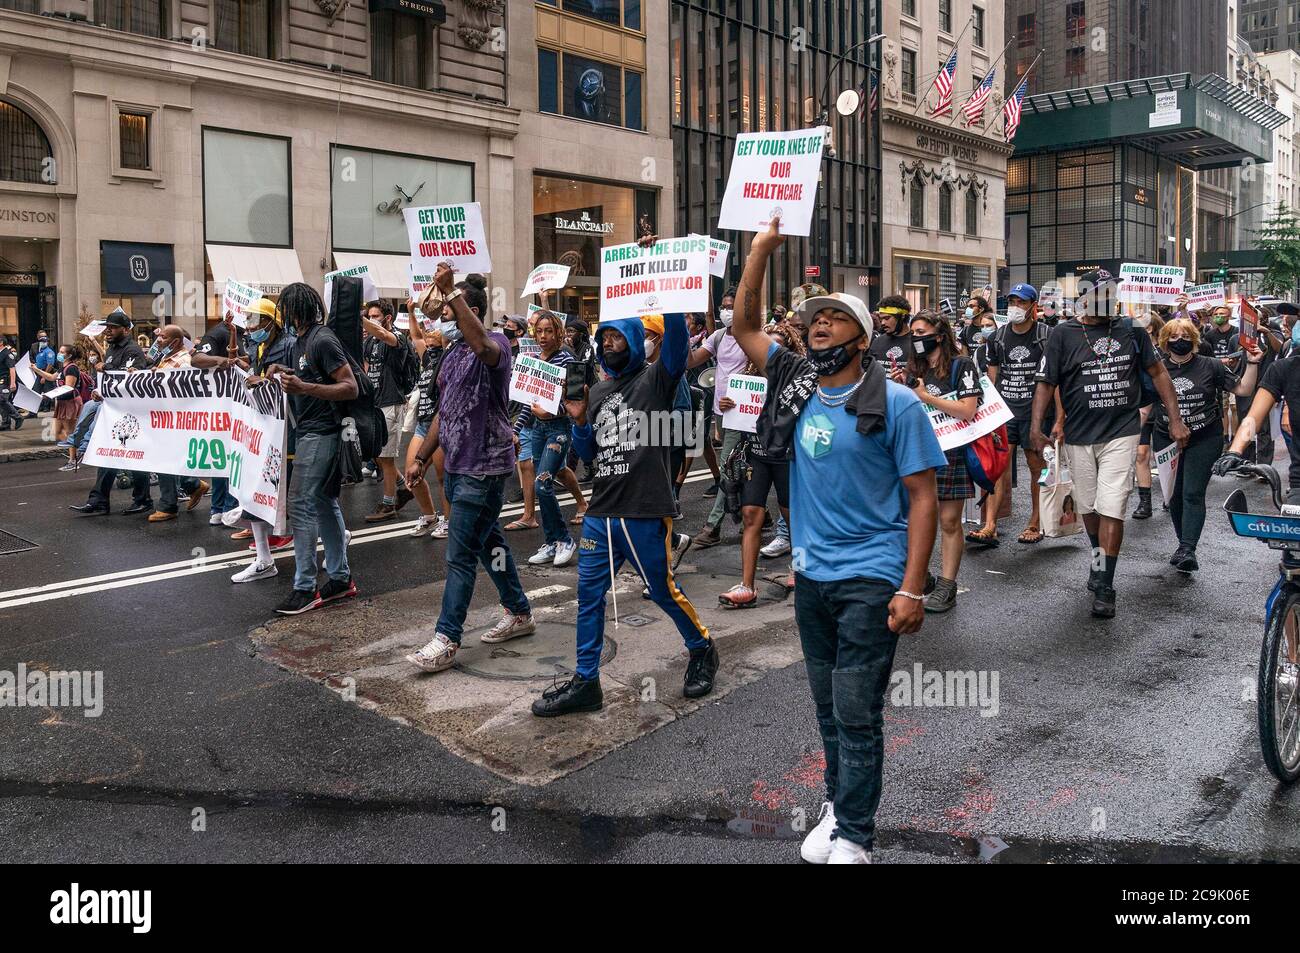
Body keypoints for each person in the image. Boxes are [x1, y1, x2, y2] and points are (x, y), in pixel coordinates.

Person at [726, 218, 943, 864]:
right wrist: (760, 251)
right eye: (813, 317)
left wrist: (912, 586)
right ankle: (836, 805)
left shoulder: (897, 403)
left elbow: (924, 496)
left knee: (856, 709)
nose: (818, 324)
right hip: (812, 578)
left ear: (862, 338)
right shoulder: (795, 380)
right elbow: (743, 327)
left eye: (833, 318)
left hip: (872, 578)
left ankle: (856, 835)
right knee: (827, 709)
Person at [530, 304, 715, 717]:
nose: (608, 344)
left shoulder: (656, 380)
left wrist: (668, 296)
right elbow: (588, 454)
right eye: (603, 338)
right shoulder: (596, 392)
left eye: (616, 337)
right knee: (589, 598)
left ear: (634, 340)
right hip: (602, 511)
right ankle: (586, 681)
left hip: (645, 509)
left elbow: (677, 345)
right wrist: (578, 422)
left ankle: (702, 649)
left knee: (664, 591)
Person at [405, 271, 535, 672]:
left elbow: (480, 342)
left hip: (486, 466)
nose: (440, 318)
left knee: (459, 554)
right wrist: (422, 457)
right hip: (458, 465)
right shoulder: (451, 355)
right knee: (488, 543)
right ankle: (519, 611)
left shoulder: (493, 344)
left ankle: (447, 638)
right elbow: (445, 413)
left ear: (469, 312)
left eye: (447, 311)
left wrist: (451, 291)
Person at [1029, 303, 1190, 618]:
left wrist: (1175, 419)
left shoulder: (1131, 330)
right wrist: (1038, 427)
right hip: (1078, 435)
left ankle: (1105, 584)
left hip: (1122, 431)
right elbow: (1047, 382)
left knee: (1112, 507)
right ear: (1085, 301)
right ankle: (1098, 558)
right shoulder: (1063, 333)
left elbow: (1159, 373)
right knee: (1089, 509)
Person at [264, 283, 359, 615]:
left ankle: (305, 587)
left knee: (301, 503)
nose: (282, 316)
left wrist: (304, 387)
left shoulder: (322, 339)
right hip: (308, 432)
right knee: (321, 502)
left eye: (285, 309)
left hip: (324, 433)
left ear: (297, 309)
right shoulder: (299, 342)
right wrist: (279, 373)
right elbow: (302, 373)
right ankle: (340, 579)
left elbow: (350, 387)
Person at [1152, 318, 1260, 571]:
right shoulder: (1157, 369)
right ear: (1165, 341)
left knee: (1192, 493)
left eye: (1186, 335)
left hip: (1205, 437)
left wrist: (1253, 363)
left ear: (1195, 339)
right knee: (1173, 497)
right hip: (1166, 438)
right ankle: (1183, 543)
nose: (1180, 340)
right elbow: (1145, 405)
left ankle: (1189, 548)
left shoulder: (1211, 366)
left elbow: (1243, 389)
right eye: (1175, 336)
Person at [890, 310, 979, 613]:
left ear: (939, 335)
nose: (914, 339)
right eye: (912, 333)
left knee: (949, 521)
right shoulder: (913, 368)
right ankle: (922, 578)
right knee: (910, 517)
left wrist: (925, 396)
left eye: (920, 333)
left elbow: (968, 410)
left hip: (951, 451)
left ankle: (947, 584)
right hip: (915, 451)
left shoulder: (962, 365)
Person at [718, 319, 809, 608]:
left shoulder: (800, 382)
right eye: (764, 347)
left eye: (777, 349)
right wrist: (727, 407)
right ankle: (747, 585)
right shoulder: (747, 379)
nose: (768, 354)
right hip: (756, 455)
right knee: (750, 516)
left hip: (786, 458)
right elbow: (739, 419)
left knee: (792, 515)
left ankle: (802, 570)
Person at [974, 283, 1061, 546]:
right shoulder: (997, 338)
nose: (1015, 307)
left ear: (1033, 306)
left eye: (1021, 302)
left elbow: (1055, 379)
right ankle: (990, 525)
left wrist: (1059, 418)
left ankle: (1036, 521)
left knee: (1037, 468)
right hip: (1005, 412)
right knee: (997, 468)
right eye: (1012, 301)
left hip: (1036, 413)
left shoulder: (1047, 335)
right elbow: (992, 377)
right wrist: (989, 412)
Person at [227, 298, 297, 582]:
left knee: (297, 497)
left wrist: (269, 380)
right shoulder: (258, 346)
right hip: (263, 433)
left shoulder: (290, 345)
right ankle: (264, 560)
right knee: (255, 491)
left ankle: (336, 537)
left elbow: (297, 379)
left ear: (272, 321)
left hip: (287, 432)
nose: (252, 326)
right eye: (250, 321)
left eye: (257, 321)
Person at [69, 308, 154, 517]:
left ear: (126, 329)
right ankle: (99, 500)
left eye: (113, 327)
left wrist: (104, 372)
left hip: (131, 414)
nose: (108, 331)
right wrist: (100, 391)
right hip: (112, 412)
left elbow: (130, 381)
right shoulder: (112, 349)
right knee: (107, 456)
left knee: (135, 458)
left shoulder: (133, 351)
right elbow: (110, 380)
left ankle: (143, 500)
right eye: (107, 327)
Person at [688, 291, 752, 547]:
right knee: (742, 467)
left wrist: (742, 397)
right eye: (723, 307)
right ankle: (764, 515)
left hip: (741, 414)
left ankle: (712, 527)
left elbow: (761, 373)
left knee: (727, 465)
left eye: (731, 307)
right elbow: (691, 361)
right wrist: (680, 332)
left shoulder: (751, 337)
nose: (726, 311)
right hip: (721, 412)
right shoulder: (718, 336)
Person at [519, 309, 579, 568]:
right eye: (539, 331)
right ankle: (551, 542)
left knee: (543, 484)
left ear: (558, 333)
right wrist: (515, 429)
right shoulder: (532, 359)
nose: (543, 336)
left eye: (548, 331)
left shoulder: (567, 360)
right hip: (537, 431)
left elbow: (575, 400)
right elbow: (526, 402)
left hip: (558, 430)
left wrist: (553, 410)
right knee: (538, 483)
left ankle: (565, 540)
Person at [143, 326, 211, 523]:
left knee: (163, 460)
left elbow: (184, 390)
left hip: (175, 419)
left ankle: (168, 505)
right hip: (163, 417)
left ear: (174, 341)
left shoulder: (184, 361)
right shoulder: (167, 357)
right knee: (168, 459)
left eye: (163, 337)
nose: (158, 340)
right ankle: (192, 485)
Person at [191, 308, 248, 526]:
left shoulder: (246, 334)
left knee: (234, 454)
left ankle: (226, 507)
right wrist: (221, 360)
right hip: (224, 403)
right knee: (227, 454)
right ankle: (223, 507)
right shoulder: (219, 332)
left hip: (243, 402)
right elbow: (197, 359)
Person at [361, 301, 416, 523]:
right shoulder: (369, 341)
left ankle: (388, 504)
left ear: (388, 318)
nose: (372, 319)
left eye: (376, 316)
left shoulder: (396, 338)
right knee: (376, 452)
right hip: (374, 402)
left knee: (386, 456)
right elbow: (365, 367)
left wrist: (358, 318)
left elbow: (384, 335)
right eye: (369, 315)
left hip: (390, 402)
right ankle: (402, 489)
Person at [404, 308, 449, 539]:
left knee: (443, 476)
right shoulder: (427, 357)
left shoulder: (447, 356)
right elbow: (415, 336)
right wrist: (411, 312)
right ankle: (430, 516)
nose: (429, 337)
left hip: (439, 422)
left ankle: (449, 520)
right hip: (423, 423)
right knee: (411, 471)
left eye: (435, 336)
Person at [868, 295, 912, 370]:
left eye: (887, 318)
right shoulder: (877, 341)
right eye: (881, 319)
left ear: (902, 316)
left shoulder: (915, 342)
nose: (883, 323)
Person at [0, 335, 22, 431]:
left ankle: (18, 417)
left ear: (1, 342)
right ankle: (6, 423)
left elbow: (12, 368)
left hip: (5, 381)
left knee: (2, 400)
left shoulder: (7, 354)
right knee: (1, 402)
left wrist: (13, 383)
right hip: (1, 380)